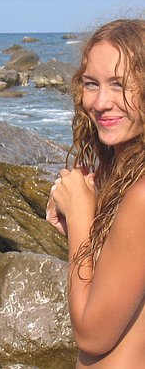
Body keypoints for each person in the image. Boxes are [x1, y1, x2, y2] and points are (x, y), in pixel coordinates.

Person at [46, 19, 145, 367]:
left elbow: (92, 334)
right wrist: (81, 224)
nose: (101, 102)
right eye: (92, 83)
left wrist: (81, 215)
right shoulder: (125, 176)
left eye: (119, 85)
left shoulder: (141, 195)